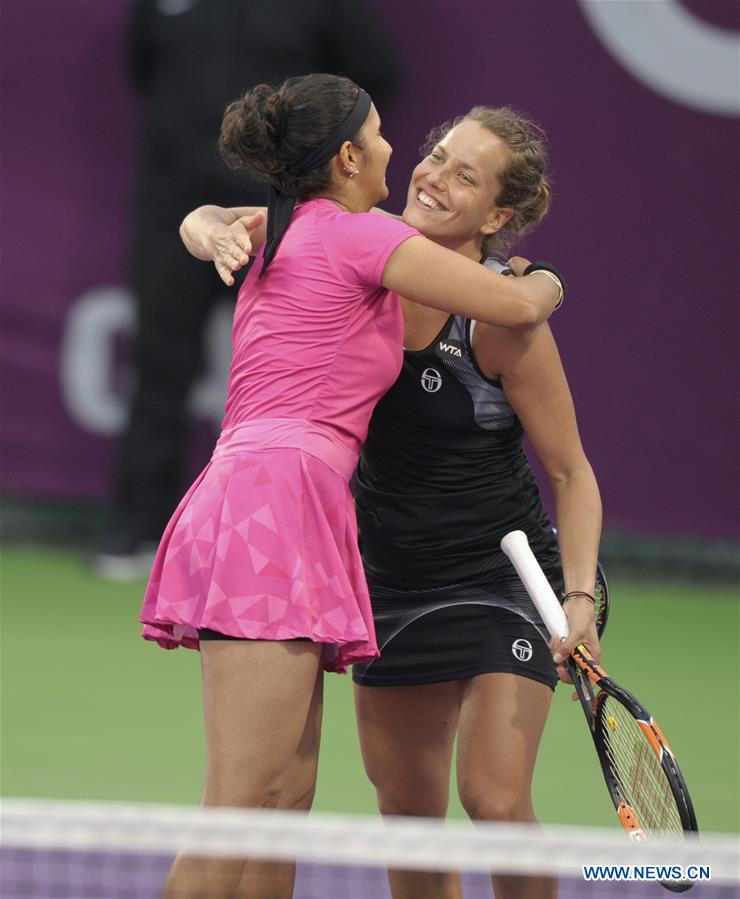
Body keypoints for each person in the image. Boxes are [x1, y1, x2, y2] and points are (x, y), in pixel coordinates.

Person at [142, 74, 563, 899]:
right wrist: (548, 278)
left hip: (285, 500)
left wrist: (205, 222)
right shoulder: (362, 235)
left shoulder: (293, 225)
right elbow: (514, 304)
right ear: (344, 158)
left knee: (282, 797)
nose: (395, 151)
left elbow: (208, 220)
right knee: (236, 804)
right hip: (275, 499)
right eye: (378, 136)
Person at [92, 0, 401, 579]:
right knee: (159, 365)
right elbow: (142, 67)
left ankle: (333, 540)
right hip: (174, 208)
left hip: (288, 218)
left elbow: (369, 77)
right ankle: (139, 531)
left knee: (314, 379)